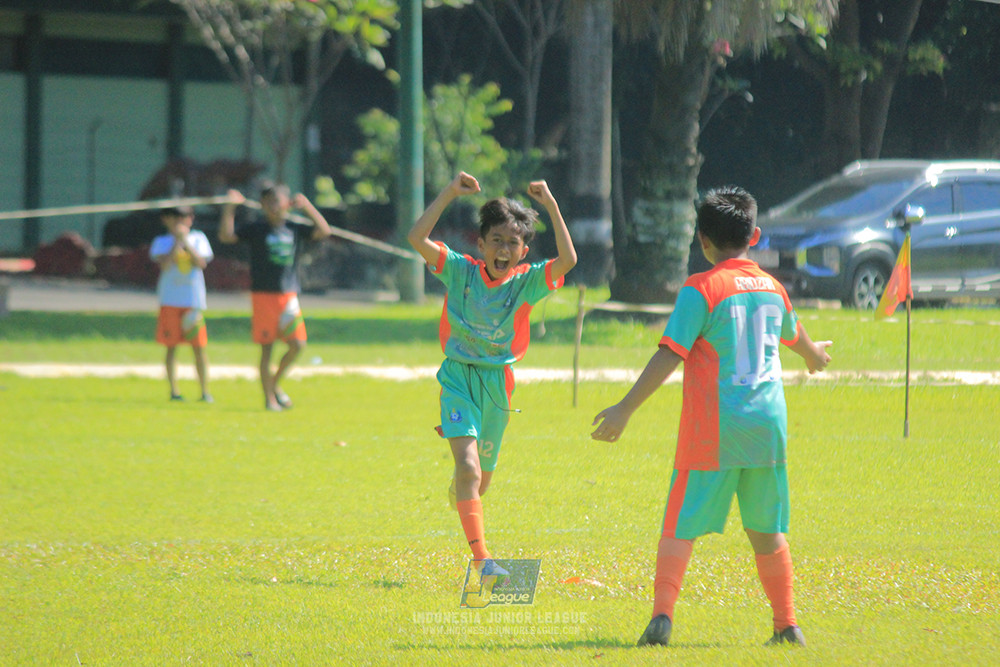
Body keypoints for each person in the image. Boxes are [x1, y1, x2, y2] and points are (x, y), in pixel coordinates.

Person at [590, 186, 832, 648]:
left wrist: (625, 408)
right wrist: (814, 354)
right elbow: (793, 331)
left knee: (680, 524)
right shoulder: (772, 287)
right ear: (755, 236)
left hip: (716, 428)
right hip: (768, 427)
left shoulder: (701, 288)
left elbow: (670, 353)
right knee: (767, 529)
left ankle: (662, 617)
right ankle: (787, 624)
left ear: (701, 239)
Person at [408, 172, 577, 579]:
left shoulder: (528, 282)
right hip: (458, 378)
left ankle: (464, 492)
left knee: (479, 481)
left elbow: (569, 261)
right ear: (480, 244)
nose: (503, 249)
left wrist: (551, 205)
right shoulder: (460, 271)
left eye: (512, 242)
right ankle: (482, 561)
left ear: (523, 250)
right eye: (495, 240)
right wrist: (450, 191)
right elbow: (417, 238)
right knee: (467, 469)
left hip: (498, 388)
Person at [219, 183, 332, 411]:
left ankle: (273, 384)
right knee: (267, 349)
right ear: (262, 205)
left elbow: (324, 231)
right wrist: (230, 208)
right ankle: (269, 399)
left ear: (287, 203)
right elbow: (226, 236)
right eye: (268, 202)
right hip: (264, 296)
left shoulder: (294, 227)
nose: (273, 206)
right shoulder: (257, 229)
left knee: (298, 345)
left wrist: (307, 207)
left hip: (288, 295)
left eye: (277, 201)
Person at [149, 205, 214, 402]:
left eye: (183, 216)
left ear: (190, 218)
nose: (179, 221)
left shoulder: (198, 238)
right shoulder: (161, 242)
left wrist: (185, 240)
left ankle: (204, 391)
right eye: (174, 217)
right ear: (165, 219)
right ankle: (174, 391)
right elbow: (166, 264)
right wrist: (176, 242)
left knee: (199, 348)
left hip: (192, 302)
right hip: (170, 301)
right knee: (171, 347)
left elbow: (200, 262)